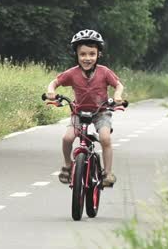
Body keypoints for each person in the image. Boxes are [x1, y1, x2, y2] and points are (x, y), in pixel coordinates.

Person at [43, 29, 125, 187]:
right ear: (77, 55)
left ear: (98, 54)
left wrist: (117, 96)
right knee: (67, 138)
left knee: (105, 138)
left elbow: (118, 85)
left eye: (92, 54)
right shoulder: (72, 73)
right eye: (83, 54)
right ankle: (67, 166)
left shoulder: (104, 72)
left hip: (101, 112)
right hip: (79, 113)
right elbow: (54, 82)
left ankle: (107, 173)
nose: (87, 58)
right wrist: (51, 92)